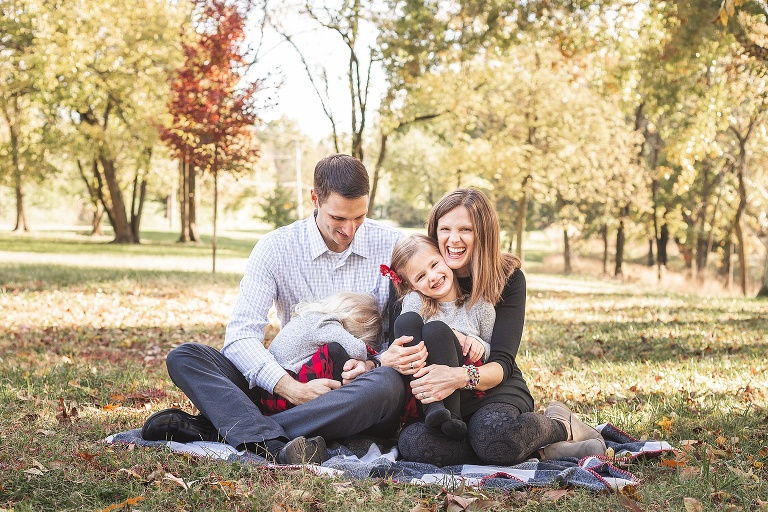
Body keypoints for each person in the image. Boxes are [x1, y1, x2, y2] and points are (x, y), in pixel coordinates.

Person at [141, 154, 412, 465]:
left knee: (388, 386)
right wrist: (292, 389)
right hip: (285, 381)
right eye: (338, 218)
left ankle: (229, 428)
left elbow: (402, 334)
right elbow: (241, 336)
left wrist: (373, 365)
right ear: (315, 198)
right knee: (186, 356)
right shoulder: (276, 248)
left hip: (354, 391)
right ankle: (269, 435)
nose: (349, 230)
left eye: (359, 217)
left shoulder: (392, 245)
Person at [389, 189, 606, 466]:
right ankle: (521, 450)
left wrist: (456, 376)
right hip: (441, 402)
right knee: (416, 444)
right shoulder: (418, 281)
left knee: (495, 434)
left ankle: (560, 425)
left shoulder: (508, 280)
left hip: (491, 386)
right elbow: (398, 345)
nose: (453, 240)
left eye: (465, 229)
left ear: (483, 233)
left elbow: (502, 363)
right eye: (445, 229)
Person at [383, 234, 494, 440]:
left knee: (436, 330)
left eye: (434, 264)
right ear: (412, 286)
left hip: (463, 383)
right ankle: (432, 405)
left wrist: (478, 343)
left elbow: (491, 349)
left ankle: (453, 416)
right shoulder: (416, 299)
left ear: (445, 258)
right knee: (406, 322)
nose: (432, 277)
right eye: (420, 277)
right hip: (421, 385)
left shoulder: (480, 306)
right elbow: (407, 327)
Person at [258, 292, 382, 414]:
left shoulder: (310, 316)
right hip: (284, 395)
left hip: (272, 391)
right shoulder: (324, 323)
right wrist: (367, 360)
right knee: (335, 351)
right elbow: (358, 350)